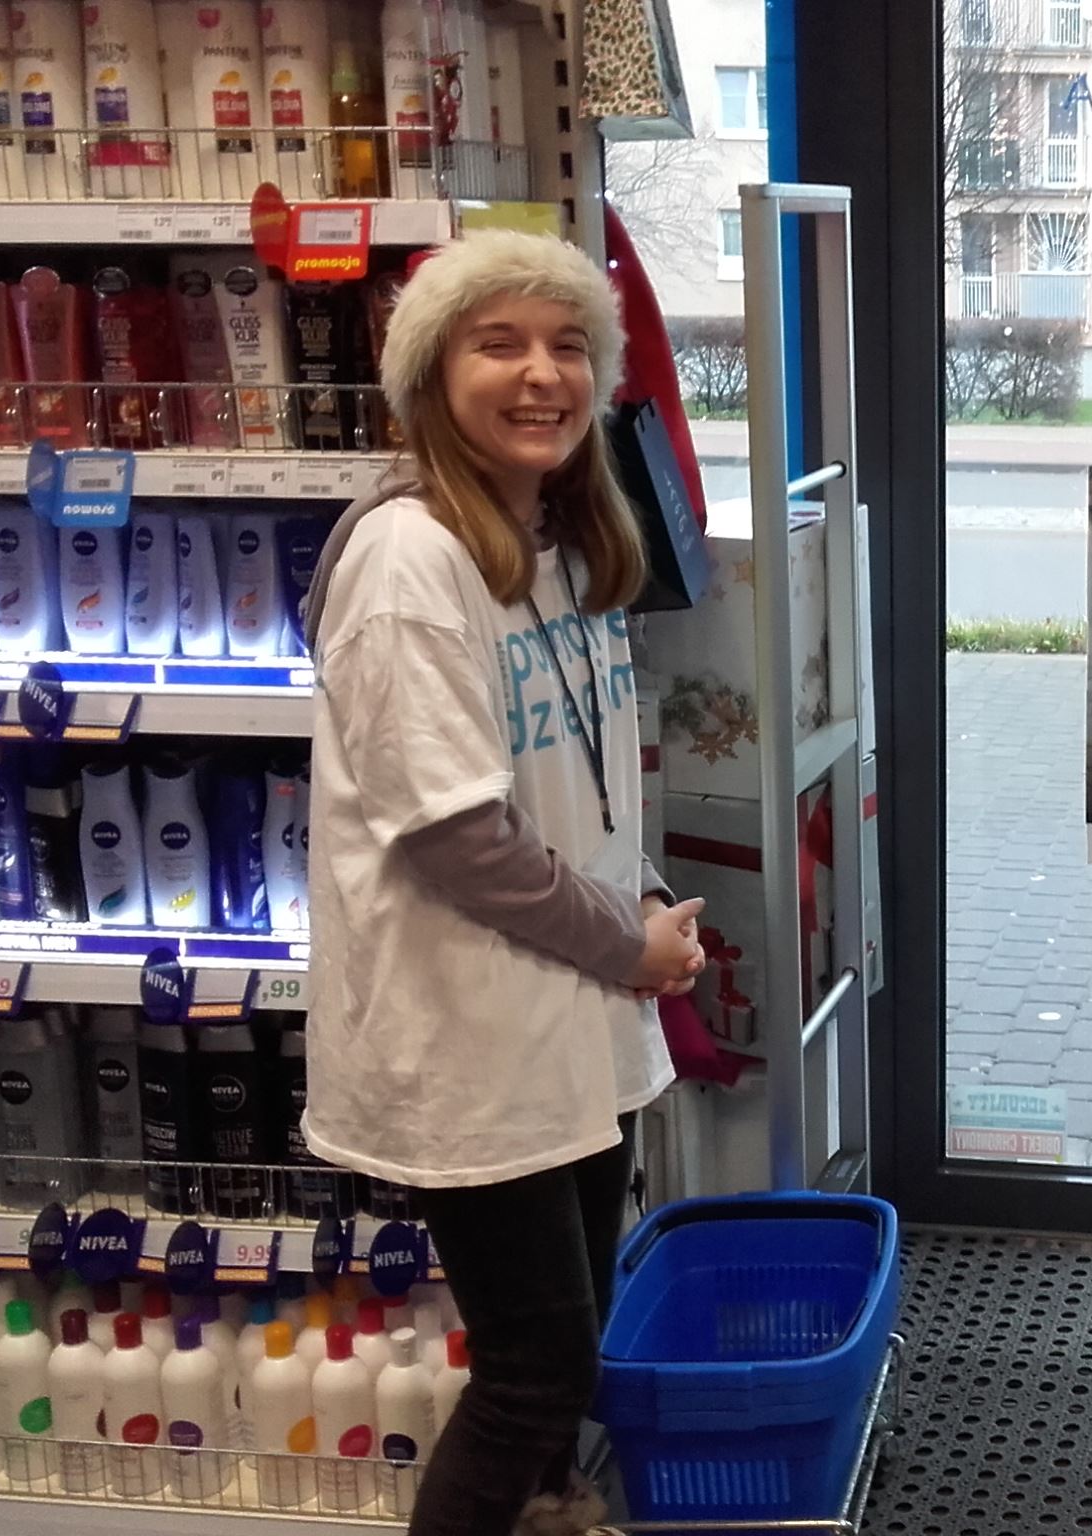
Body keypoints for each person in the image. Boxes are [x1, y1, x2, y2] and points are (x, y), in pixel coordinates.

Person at [299, 229, 708, 1536]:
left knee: (564, 1364)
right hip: (473, 1039)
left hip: (570, 1022)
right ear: (429, 377)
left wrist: (644, 898)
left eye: (570, 345)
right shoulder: (409, 563)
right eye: (499, 344)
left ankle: (551, 1518)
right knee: (533, 1375)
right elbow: (456, 837)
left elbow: (577, 781)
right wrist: (626, 946)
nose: (544, 374)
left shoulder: (566, 543)